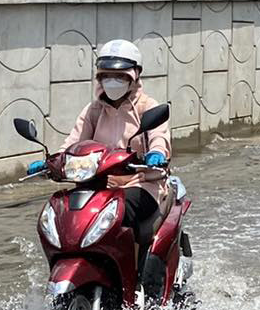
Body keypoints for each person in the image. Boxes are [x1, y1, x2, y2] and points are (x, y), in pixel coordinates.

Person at [27, 38, 173, 256]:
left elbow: (158, 137)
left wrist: (156, 154)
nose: (112, 81)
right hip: (97, 184)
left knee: (123, 212)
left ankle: (136, 277)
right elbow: (73, 142)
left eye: (120, 76)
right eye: (106, 75)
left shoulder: (147, 107)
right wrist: (52, 161)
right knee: (63, 214)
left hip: (140, 183)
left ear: (135, 75)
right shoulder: (94, 110)